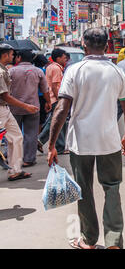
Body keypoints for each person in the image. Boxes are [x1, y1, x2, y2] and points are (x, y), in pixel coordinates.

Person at [47, 28, 125, 249]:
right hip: (110, 141)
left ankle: (88, 240)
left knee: (83, 190)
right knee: (112, 188)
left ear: (84, 45)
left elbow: (61, 109)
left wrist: (51, 145)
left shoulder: (75, 70)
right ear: (106, 46)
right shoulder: (116, 71)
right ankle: (114, 241)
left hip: (81, 142)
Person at [0, 44, 39, 181]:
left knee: (16, 137)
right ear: (5, 55)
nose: (13, 57)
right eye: (11, 54)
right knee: (15, 137)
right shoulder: (1, 72)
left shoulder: (6, 70)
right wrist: (26, 106)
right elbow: (5, 96)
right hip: (2, 110)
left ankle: (15, 170)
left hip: (6, 110)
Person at [9, 50, 51, 168]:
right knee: (31, 134)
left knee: (13, 135)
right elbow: (45, 89)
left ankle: (12, 159)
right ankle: (29, 159)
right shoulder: (38, 71)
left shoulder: (11, 71)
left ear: (19, 58)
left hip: (14, 107)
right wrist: (48, 102)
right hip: (33, 107)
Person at [38, 48, 68, 154]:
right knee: (59, 122)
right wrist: (60, 100)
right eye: (64, 58)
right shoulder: (56, 68)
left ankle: (41, 140)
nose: (66, 60)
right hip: (56, 98)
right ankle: (58, 147)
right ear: (58, 58)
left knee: (54, 121)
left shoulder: (50, 67)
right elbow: (55, 85)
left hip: (52, 98)